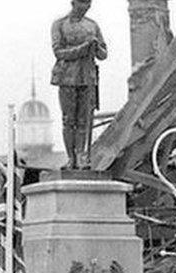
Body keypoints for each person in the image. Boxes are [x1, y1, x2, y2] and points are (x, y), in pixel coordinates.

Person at [51, 0, 107, 170]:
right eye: (83, 4)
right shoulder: (59, 24)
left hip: (87, 78)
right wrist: (82, 49)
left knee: (84, 120)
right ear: (73, 3)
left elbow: (103, 54)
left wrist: (96, 47)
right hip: (67, 77)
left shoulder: (92, 25)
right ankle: (71, 158)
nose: (86, 7)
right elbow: (58, 51)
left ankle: (82, 156)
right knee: (69, 120)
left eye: (88, 4)